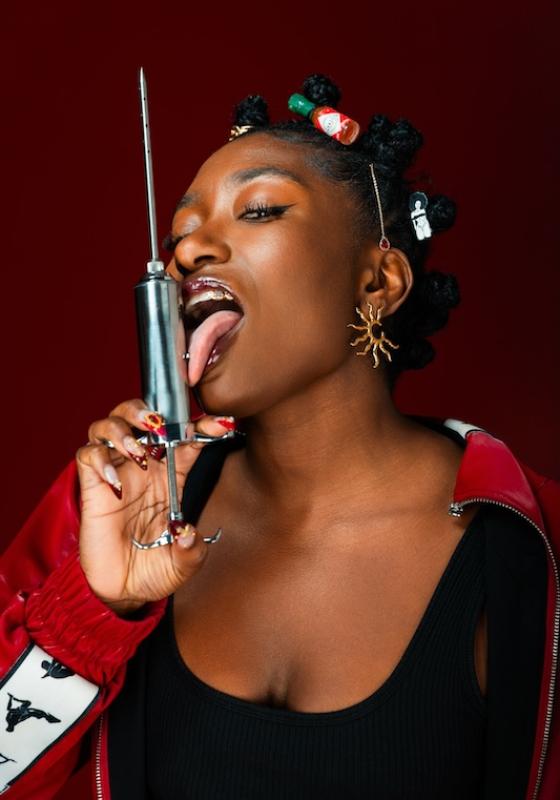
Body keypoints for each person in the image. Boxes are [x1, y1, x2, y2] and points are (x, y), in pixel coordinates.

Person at [0, 73, 558, 800]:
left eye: (259, 209)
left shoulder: (528, 547)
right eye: (177, 236)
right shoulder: (118, 504)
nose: (189, 249)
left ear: (378, 282)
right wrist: (100, 611)